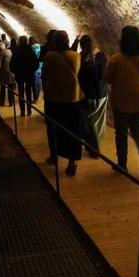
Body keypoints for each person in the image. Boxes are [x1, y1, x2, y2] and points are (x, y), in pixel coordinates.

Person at [105, 26, 139, 180]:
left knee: (121, 134)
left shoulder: (117, 59)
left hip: (121, 103)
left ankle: (122, 164)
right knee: (138, 133)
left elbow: (108, 78)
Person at [42, 30, 84, 176]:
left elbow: (45, 74)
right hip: (72, 97)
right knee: (72, 129)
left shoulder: (49, 56)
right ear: (67, 41)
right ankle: (72, 161)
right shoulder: (76, 56)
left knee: (53, 127)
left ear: (54, 41)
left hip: (53, 96)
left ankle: (54, 155)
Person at [77, 34, 108, 157]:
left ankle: (94, 148)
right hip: (101, 93)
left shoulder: (80, 58)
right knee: (97, 122)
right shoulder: (102, 56)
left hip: (87, 94)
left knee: (86, 122)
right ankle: (94, 145)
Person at [10, 35, 39, 116]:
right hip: (29, 74)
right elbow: (36, 63)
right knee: (29, 92)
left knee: (21, 93)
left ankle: (22, 111)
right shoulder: (30, 50)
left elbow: (12, 64)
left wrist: (15, 71)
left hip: (19, 74)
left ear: (19, 41)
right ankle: (29, 110)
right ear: (26, 41)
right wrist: (33, 70)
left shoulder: (16, 50)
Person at [0, 41, 15, 106]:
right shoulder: (9, 51)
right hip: (11, 71)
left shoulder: (0, 54)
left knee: (3, 88)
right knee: (11, 87)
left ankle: (2, 102)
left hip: (4, 72)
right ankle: (11, 102)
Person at [30, 36, 43, 102]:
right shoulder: (41, 47)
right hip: (40, 67)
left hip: (34, 67)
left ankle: (35, 97)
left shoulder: (31, 48)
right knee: (39, 82)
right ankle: (37, 96)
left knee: (34, 83)